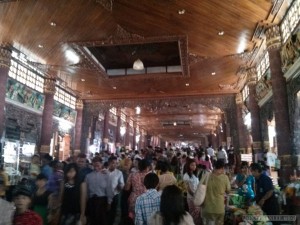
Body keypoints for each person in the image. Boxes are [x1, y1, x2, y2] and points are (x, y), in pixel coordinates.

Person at [85, 157, 114, 225]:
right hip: (92, 201)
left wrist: (109, 202)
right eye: (95, 165)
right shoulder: (88, 176)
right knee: (92, 220)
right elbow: (87, 191)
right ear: (92, 164)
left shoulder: (106, 175)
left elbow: (109, 189)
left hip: (102, 201)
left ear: (101, 164)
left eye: (98, 165)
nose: (96, 166)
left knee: (102, 220)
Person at [202, 160, 230, 225]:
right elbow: (228, 190)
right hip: (219, 208)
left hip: (207, 208)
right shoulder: (225, 177)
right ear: (223, 168)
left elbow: (201, 188)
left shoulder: (207, 176)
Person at [107, 156, 124, 225]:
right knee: (106, 211)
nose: (114, 164)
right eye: (112, 163)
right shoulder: (105, 172)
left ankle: (111, 222)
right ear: (109, 163)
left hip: (114, 195)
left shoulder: (119, 173)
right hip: (105, 195)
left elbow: (122, 184)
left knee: (113, 211)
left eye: (115, 163)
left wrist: (119, 187)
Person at [183, 158, 200, 225]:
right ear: (188, 166)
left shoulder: (195, 175)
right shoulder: (186, 176)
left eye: (195, 165)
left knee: (197, 213)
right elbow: (188, 189)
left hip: (196, 196)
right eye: (192, 165)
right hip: (191, 197)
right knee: (193, 213)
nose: (194, 166)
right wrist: (195, 195)